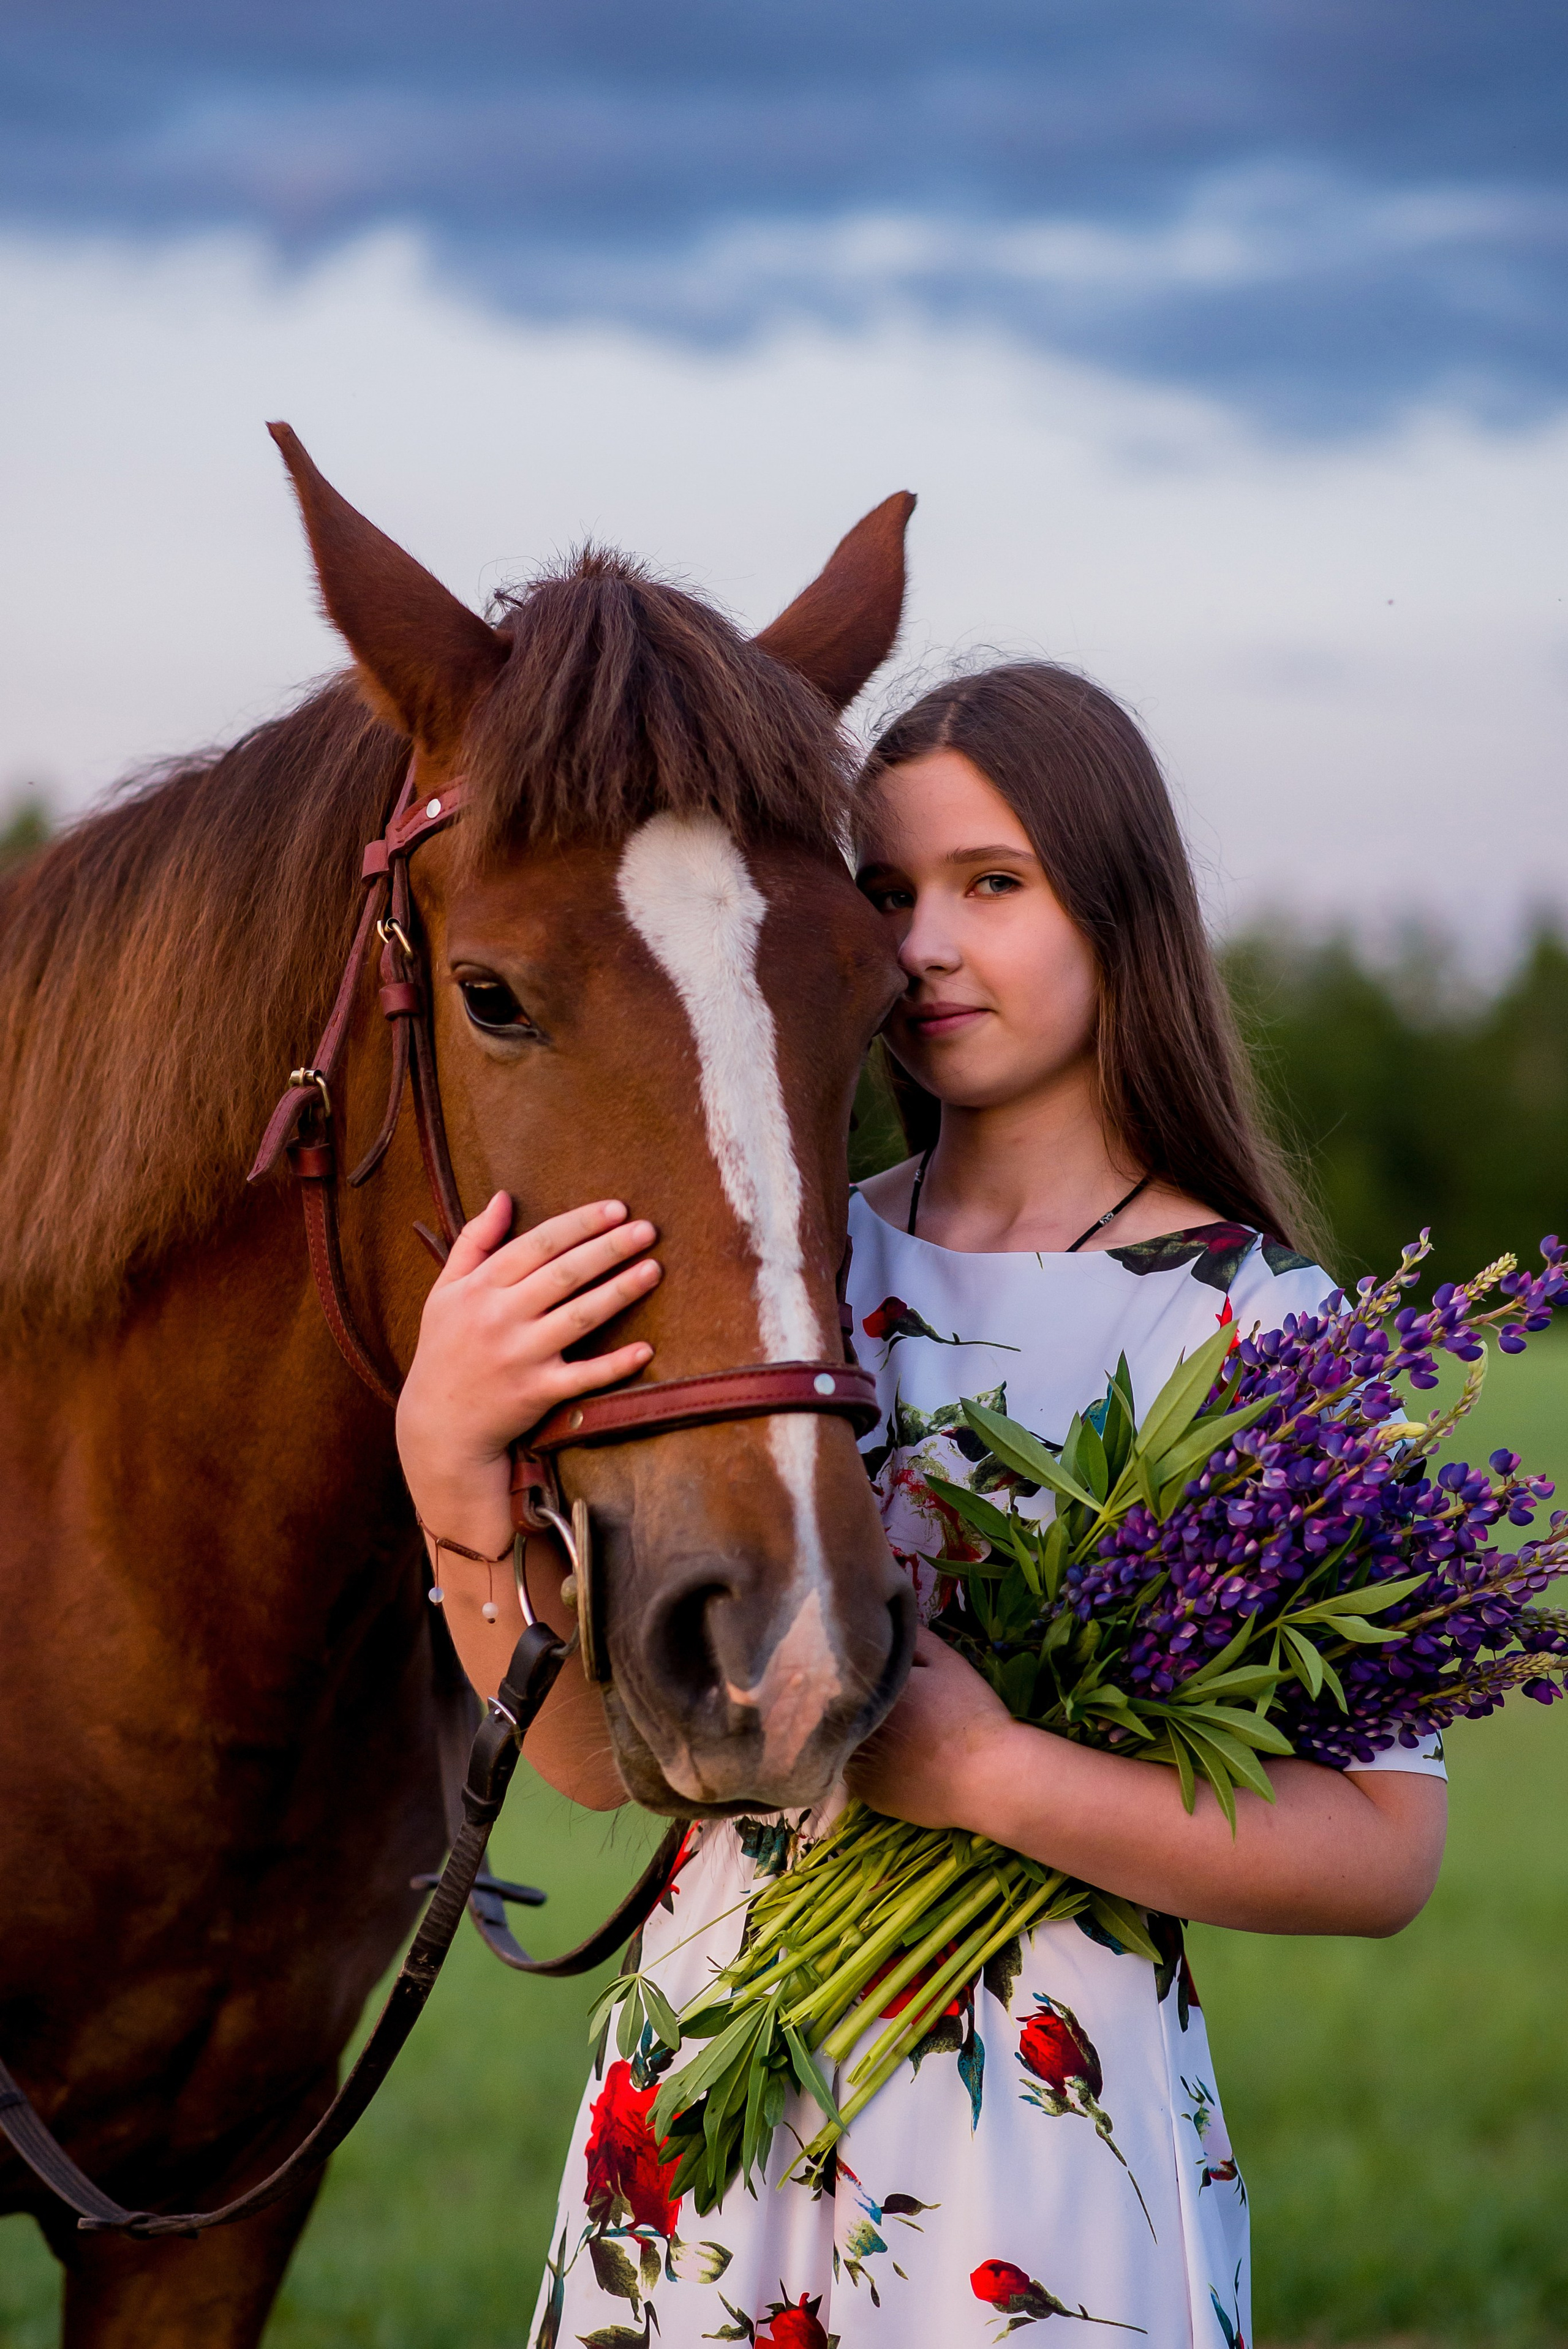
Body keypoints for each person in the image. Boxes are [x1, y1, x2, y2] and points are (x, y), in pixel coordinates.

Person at [397, 661, 1447, 2348]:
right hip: (704, 2112)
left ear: (1123, 910)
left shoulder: (1261, 1336)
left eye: (994, 885)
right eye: (887, 894)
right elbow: (600, 1760)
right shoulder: (783, 1285)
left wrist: (990, 1772)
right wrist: (449, 1465)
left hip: (1033, 2150)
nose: (928, 944)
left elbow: (1385, 1852)